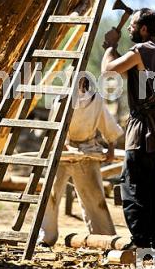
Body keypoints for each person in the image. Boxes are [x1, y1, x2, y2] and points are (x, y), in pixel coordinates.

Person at [101, 8, 155, 258]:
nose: (130, 29)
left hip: (143, 130)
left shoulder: (140, 51)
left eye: (132, 25)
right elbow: (133, 69)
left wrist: (110, 45)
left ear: (144, 29)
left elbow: (108, 71)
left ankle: (141, 242)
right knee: (154, 187)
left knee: (132, 186)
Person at [39, 76, 124, 246]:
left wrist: (111, 147)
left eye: (82, 83)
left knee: (95, 195)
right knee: (51, 194)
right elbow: (54, 127)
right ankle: (46, 237)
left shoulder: (96, 100)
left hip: (88, 150)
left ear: (85, 84)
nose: (80, 87)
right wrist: (65, 146)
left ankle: (104, 237)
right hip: (62, 151)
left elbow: (107, 123)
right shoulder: (61, 100)